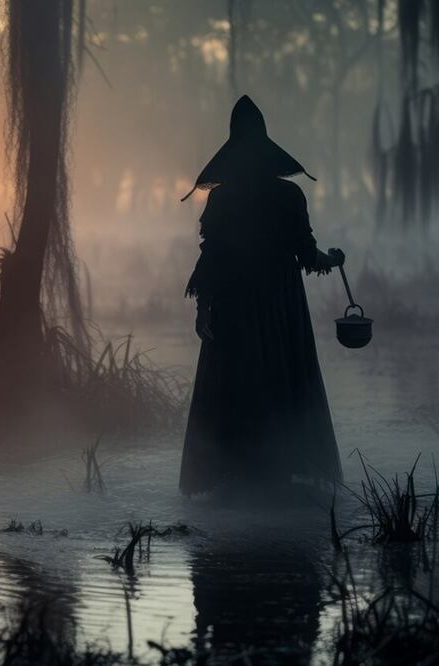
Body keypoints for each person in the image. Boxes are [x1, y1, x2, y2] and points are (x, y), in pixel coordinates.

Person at [179, 95, 343, 494]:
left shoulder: (222, 197)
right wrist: (334, 259)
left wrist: (204, 308)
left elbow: (211, 254)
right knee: (281, 375)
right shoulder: (289, 196)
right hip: (280, 306)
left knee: (234, 380)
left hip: (233, 303)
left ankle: (234, 471)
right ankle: (280, 470)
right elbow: (307, 254)